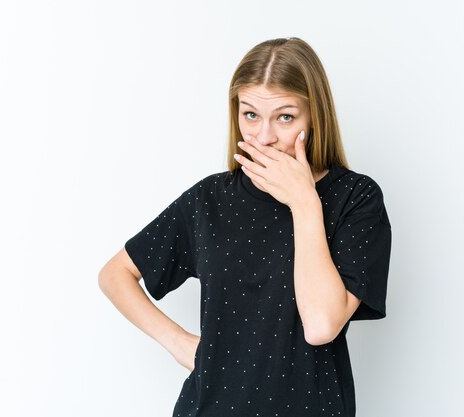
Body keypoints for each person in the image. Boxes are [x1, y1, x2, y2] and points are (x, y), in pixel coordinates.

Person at [98, 36, 392, 417]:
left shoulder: (356, 198)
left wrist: (305, 203)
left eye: (285, 117)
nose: (264, 136)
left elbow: (321, 326)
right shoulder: (209, 200)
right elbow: (115, 274)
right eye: (250, 115)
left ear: (314, 116)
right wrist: (179, 343)